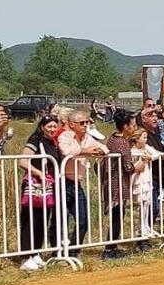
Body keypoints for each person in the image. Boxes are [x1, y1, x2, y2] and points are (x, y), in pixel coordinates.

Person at [57, 110, 108, 257]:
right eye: (82, 123)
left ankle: (73, 251)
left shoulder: (87, 137)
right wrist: (85, 151)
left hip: (77, 183)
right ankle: (58, 252)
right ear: (72, 124)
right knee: (61, 219)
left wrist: (100, 151)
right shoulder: (64, 136)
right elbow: (66, 151)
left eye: (87, 122)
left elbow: (103, 147)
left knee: (83, 219)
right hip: (62, 182)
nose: (86, 125)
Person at [17, 115, 62, 272]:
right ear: (42, 127)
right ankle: (25, 255)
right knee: (30, 220)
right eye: (49, 126)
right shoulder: (35, 139)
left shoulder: (53, 142)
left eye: (54, 126)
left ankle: (36, 251)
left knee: (43, 219)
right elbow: (23, 161)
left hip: (48, 187)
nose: (52, 129)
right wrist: (39, 174)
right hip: (34, 185)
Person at [101, 109, 146, 258]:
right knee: (117, 215)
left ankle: (111, 247)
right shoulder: (123, 143)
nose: (134, 127)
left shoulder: (113, 138)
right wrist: (137, 167)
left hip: (111, 181)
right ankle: (110, 249)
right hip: (118, 183)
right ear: (126, 127)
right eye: (132, 125)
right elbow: (128, 167)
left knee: (117, 215)